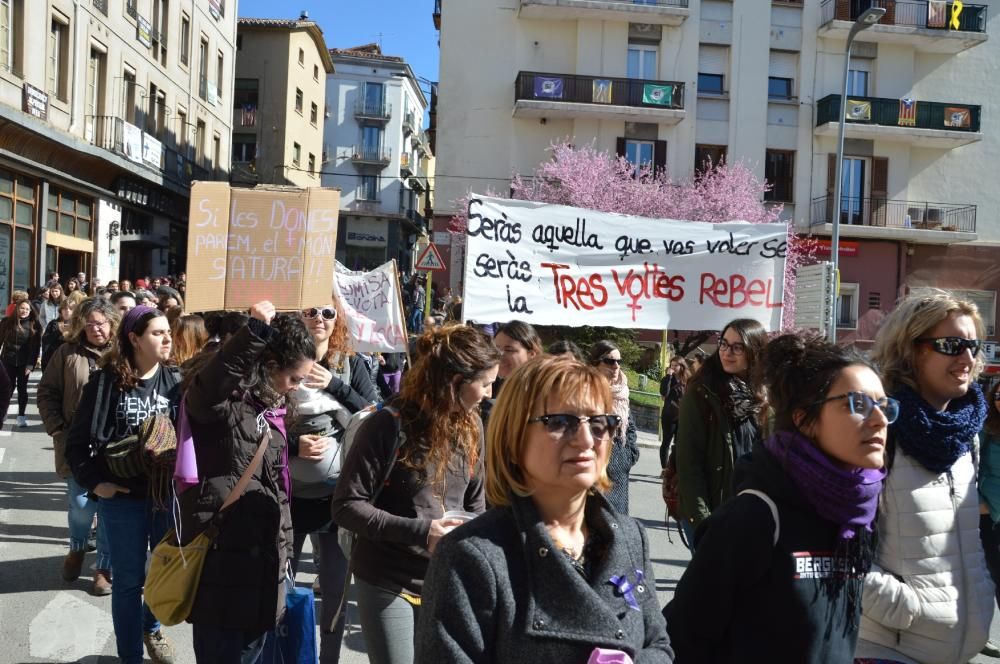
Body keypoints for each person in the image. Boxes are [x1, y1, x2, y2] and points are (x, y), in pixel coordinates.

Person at [416, 355, 674, 662]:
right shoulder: (471, 557)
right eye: (560, 422)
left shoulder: (631, 537)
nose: (585, 439)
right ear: (514, 437)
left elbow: (659, 645)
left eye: (598, 422)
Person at [666, 334, 890, 662]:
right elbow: (682, 638)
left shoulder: (858, 513)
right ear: (804, 419)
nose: (879, 420)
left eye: (884, 406)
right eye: (857, 404)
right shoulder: (755, 516)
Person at [332, 324, 500, 664]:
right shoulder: (387, 424)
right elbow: (346, 506)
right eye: (485, 383)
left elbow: (475, 504)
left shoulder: (472, 426)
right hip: (386, 579)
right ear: (455, 381)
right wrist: (423, 532)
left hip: (445, 581)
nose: (489, 392)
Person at [855, 292, 994, 664]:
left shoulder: (965, 436)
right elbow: (837, 540)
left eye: (973, 345)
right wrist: (908, 608)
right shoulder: (878, 427)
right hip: (886, 648)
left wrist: (980, 595)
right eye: (952, 345)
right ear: (911, 349)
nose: (967, 358)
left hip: (956, 648)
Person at [177, 302, 315, 663]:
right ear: (269, 366)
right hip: (223, 562)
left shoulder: (273, 411)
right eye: (294, 379)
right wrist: (253, 332)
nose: (296, 389)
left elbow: (278, 491)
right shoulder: (225, 403)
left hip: (262, 566)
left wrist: (283, 554)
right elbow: (209, 388)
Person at [64, 306, 179, 664]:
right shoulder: (106, 382)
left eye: (168, 332)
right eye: (157, 333)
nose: (167, 338)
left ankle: (151, 626)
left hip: (165, 498)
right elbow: (77, 443)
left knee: (166, 578)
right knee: (128, 584)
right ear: (134, 339)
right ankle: (129, 657)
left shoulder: (176, 383)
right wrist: (97, 484)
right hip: (122, 500)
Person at [287, 300, 378, 664]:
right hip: (288, 496)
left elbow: (376, 416)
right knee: (284, 590)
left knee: (336, 595)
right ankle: (290, 654)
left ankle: (327, 659)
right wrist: (296, 444)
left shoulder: (349, 363)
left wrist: (336, 385)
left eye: (327, 313)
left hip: (335, 501)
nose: (319, 319)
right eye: (310, 311)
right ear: (298, 316)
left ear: (337, 319)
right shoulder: (281, 358)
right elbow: (262, 418)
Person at [37, 297, 119, 596]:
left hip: (115, 447)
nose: (96, 329)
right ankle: (77, 548)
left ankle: (103, 568)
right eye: (89, 324)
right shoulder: (66, 352)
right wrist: (57, 427)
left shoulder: (124, 352)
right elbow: (47, 392)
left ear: (112, 323)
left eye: (101, 323)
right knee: (82, 506)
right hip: (76, 444)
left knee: (110, 510)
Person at [675, 319, 768, 541]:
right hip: (712, 514)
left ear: (754, 351)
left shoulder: (766, 396)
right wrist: (704, 522)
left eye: (738, 347)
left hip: (752, 515)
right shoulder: (701, 392)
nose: (727, 352)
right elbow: (689, 464)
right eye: (724, 344)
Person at [588, 340, 639, 514]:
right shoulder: (587, 391)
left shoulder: (622, 393)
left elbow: (630, 428)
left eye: (619, 361)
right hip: (594, 474)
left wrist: (628, 455)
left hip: (619, 475)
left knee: (618, 530)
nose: (616, 366)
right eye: (609, 361)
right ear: (596, 364)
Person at [979, 381, 1000, 659]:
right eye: (998, 395)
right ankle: (981, 636)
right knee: (989, 579)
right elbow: (975, 463)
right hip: (989, 515)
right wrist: (981, 502)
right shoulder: (988, 429)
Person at [0, 299, 42, 428]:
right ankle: (3, 412)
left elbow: (35, 347)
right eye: (22, 308)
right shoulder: (6, 322)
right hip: (7, 360)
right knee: (7, 387)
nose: (24, 311)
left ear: (30, 311)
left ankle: (21, 416)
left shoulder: (35, 325)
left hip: (25, 362)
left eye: (27, 309)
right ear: (17, 308)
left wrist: (31, 364)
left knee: (22, 389)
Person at [658, 357, 689, 469]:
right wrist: (668, 377)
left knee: (679, 444)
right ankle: (665, 468)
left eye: (676, 365)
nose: (673, 367)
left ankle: (674, 468)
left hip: (682, 416)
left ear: (681, 366)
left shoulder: (687, 380)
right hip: (669, 416)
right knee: (666, 442)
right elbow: (664, 393)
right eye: (672, 365)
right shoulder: (667, 379)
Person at [40, 298, 75, 371]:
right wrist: (58, 331)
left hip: (71, 361)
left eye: (71, 309)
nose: (67, 311)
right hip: (54, 360)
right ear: (61, 311)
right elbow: (45, 341)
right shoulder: (53, 323)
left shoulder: (77, 325)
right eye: (65, 309)